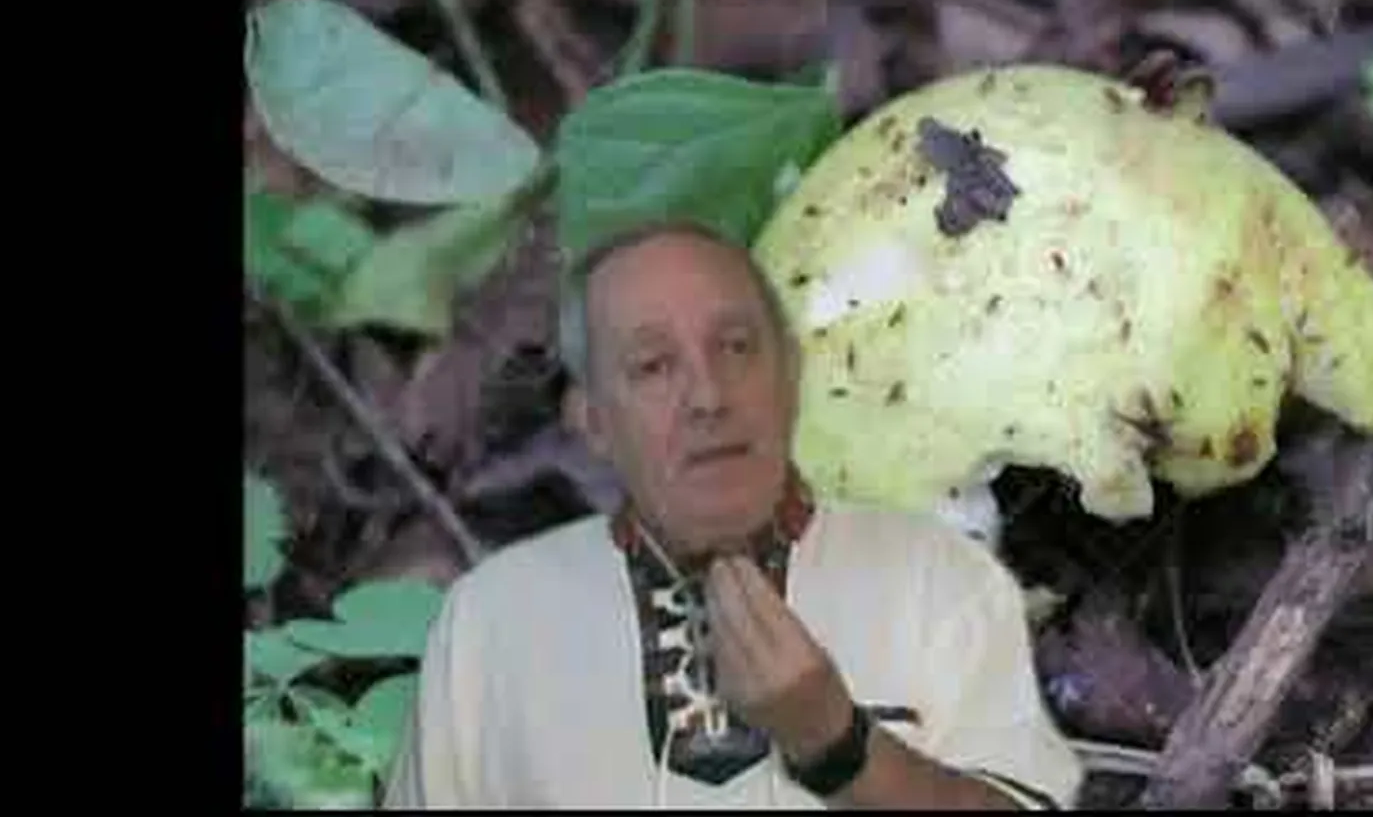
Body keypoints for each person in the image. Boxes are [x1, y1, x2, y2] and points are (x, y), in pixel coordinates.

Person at [382, 218, 1085, 809]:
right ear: (591, 420)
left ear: (791, 373)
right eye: (653, 366)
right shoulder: (493, 622)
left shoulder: (941, 581)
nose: (708, 397)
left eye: (737, 348)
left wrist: (839, 746)